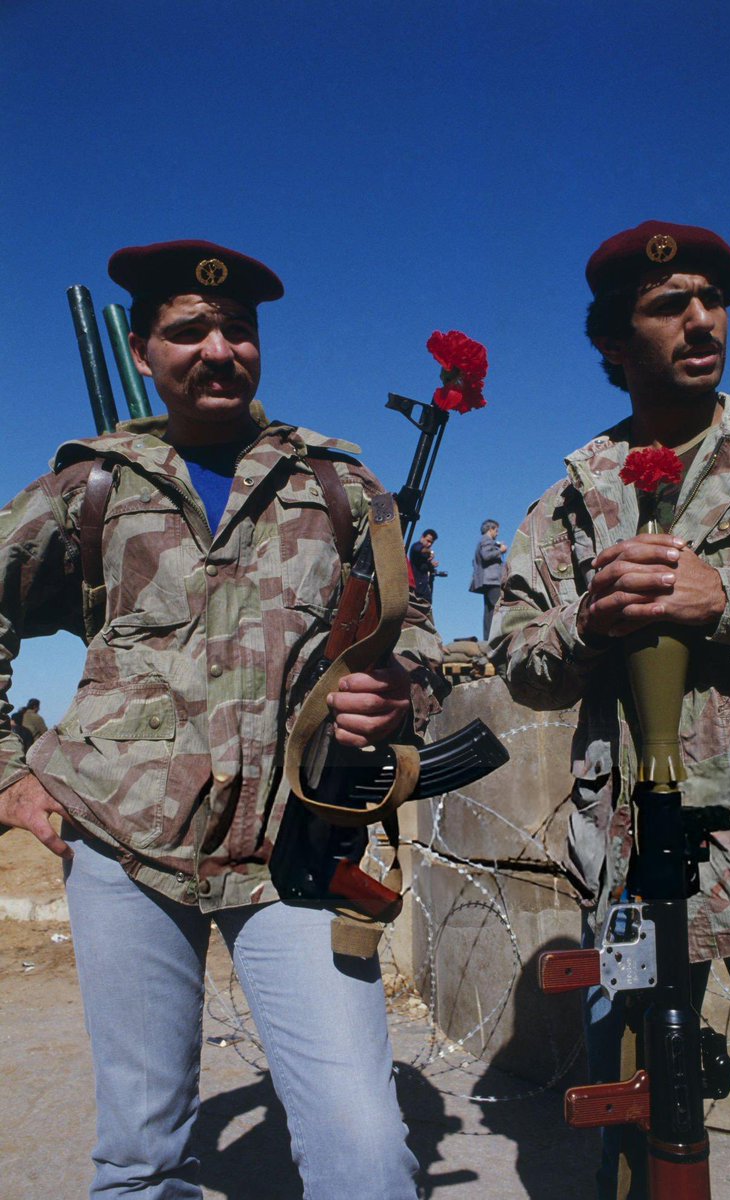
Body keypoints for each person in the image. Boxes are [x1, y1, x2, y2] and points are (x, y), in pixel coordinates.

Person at [0, 239, 445, 1199]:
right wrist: (8, 772)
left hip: (294, 843)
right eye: (188, 330)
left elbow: (417, 625)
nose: (217, 349)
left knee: (366, 1153)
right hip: (124, 849)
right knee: (141, 1157)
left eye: (237, 331)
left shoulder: (336, 486)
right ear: (145, 348)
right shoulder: (89, 488)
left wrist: (400, 680)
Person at [491, 220, 730, 1200]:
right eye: (666, 303)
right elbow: (518, 660)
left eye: (710, 299)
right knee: (631, 1143)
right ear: (610, 341)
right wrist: (586, 622)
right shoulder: (565, 505)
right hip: (629, 862)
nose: (699, 317)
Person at [470, 519, 507, 640]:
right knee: (496, 609)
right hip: (492, 580)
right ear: (490, 529)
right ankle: (494, 638)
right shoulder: (486, 540)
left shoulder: (483, 541)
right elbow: (486, 555)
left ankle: (488, 638)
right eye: (496, 530)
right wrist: (500, 551)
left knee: (489, 611)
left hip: (486, 580)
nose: (497, 533)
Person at [409, 527, 439, 602]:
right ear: (422, 537)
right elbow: (419, 549)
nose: (429, 544)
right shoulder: (416, 546)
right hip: (416, 593)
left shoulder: (426, 556)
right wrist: (430, 552)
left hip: (425, 594)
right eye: (428, 541)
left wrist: (431, 565)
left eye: (431, 543)